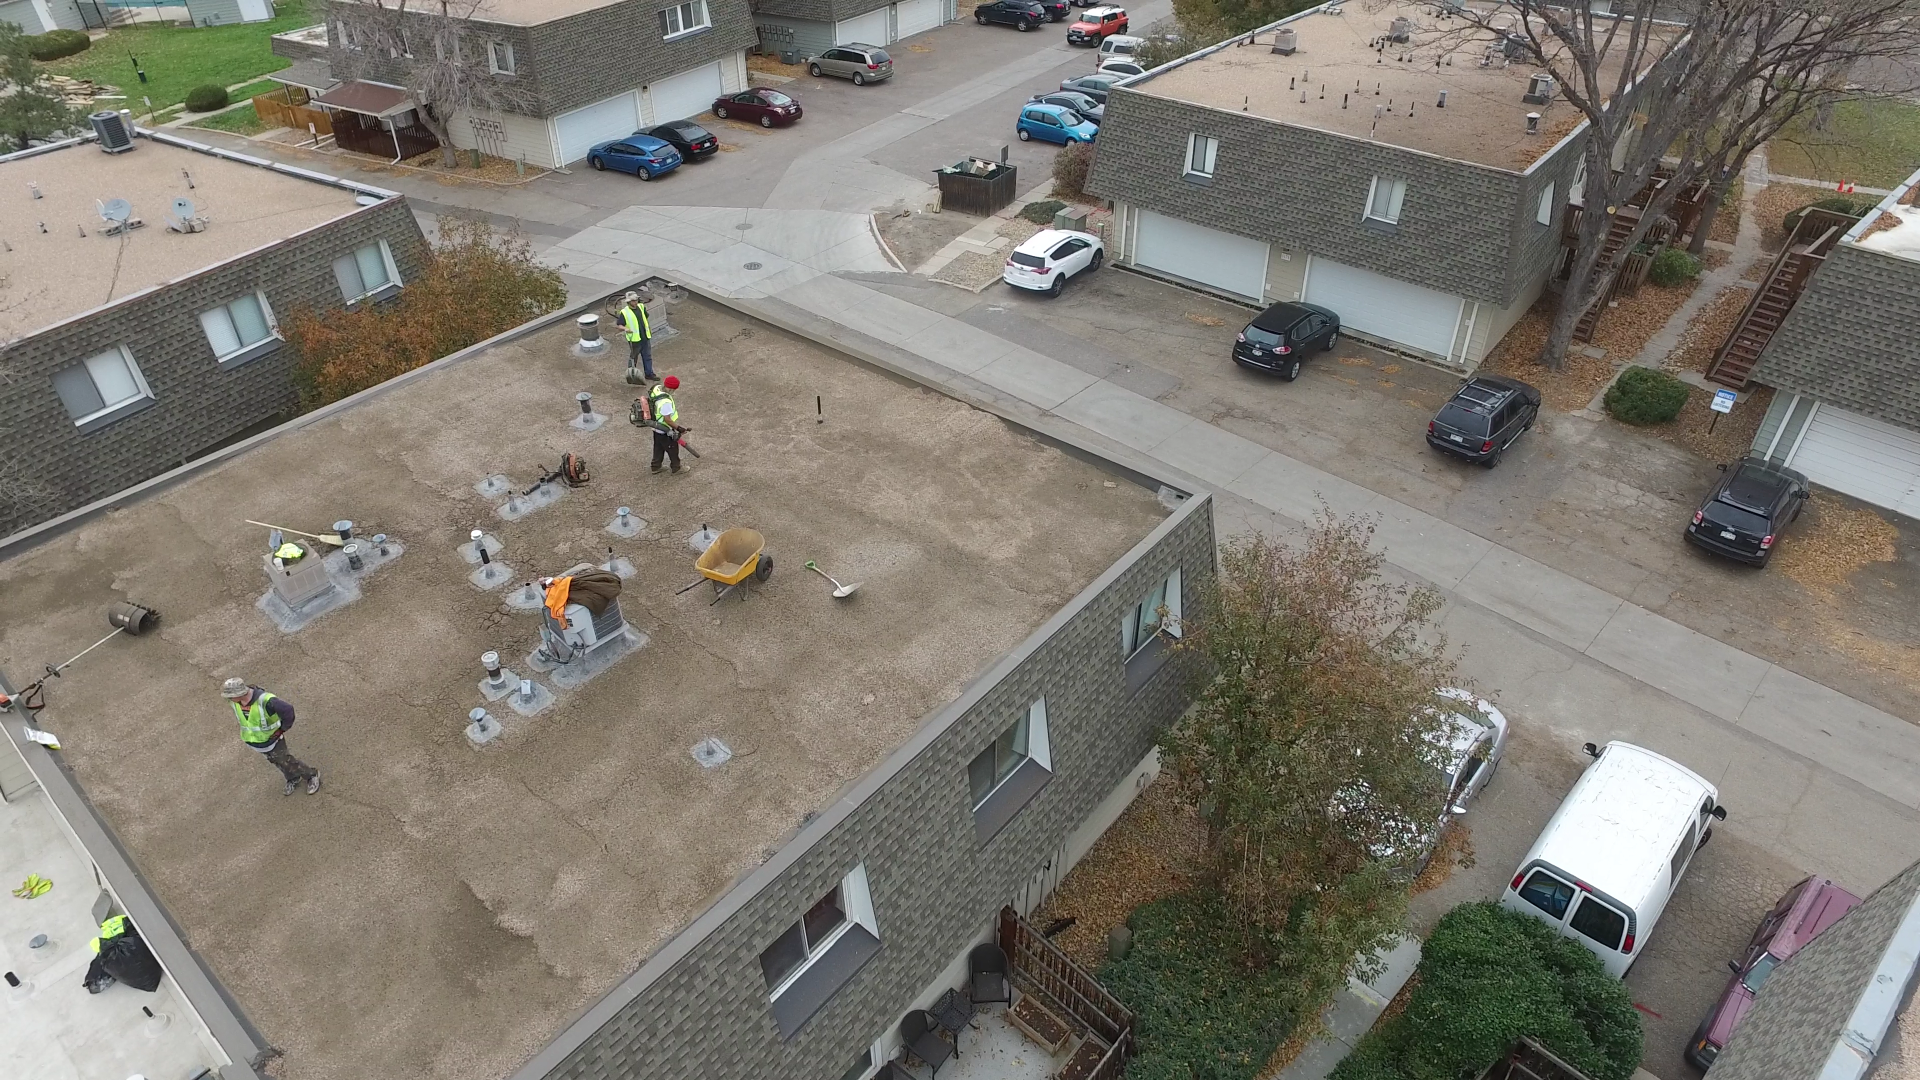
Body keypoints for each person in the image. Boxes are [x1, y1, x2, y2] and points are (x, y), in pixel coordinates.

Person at [222, 678, 320, 796]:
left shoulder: (266, 701)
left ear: (240, 694)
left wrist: (282, 729)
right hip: (258, 742)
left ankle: (311, 775)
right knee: (276, 761)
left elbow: (288, 711)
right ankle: (293, 778)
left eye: (231, 696)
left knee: (286, 760)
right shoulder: (235, 702)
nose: (229, 699)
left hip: (273, 740)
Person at [647, 375, 687, 474]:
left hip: (656, 427)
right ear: (671, 389)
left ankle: (656, 466)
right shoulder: (665, 402)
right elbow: (667, 420)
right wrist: (679, 428)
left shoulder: (657, 388)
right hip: (664, 428)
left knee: (658, 447)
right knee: (672, 448)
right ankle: (676, 467)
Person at [620, 291, 656, 383]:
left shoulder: (641, 307)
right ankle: (631, 375)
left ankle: (649, 374)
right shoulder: (624, 312)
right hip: (634, 340)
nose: (635, 302)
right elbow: (619, 325)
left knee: (647, 356)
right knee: (633, 358)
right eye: (633, 301)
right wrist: (626, 329)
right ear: (628, 302)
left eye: (636, 300)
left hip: (645, 337)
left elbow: (645, 317)